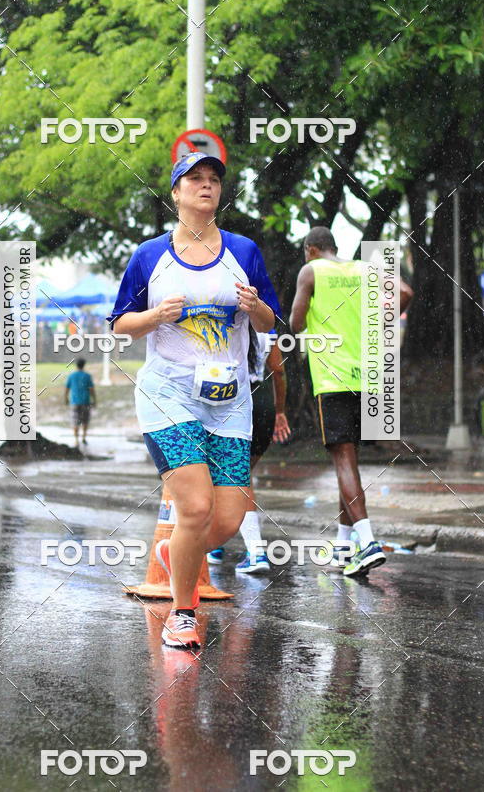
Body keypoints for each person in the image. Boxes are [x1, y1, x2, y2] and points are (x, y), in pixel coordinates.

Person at [110, 151, 281, 649]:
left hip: (228, 398)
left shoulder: (244, 251)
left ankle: (177, 555)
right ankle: (182, 614)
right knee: (196, 506)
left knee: (226, 519)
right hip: (168, 393)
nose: (206, 186)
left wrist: (256, 307)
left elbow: (271, 322)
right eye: (195, 179)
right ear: (177, 193)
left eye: (213, 180)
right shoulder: (149, 256)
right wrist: (155, 316)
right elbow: (120, 324)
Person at [290, 226, 413, 578]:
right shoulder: (365, 268)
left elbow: (296, 324)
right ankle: (345, 547)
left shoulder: (310, 271)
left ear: (311, 249)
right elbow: (405, 291)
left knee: (344, 461)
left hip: (334, 378)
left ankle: (368, 542)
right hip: (371, 377)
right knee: (351, 462)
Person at [208, 328, 291, 573]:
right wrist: (280, 410)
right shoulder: (266, 324)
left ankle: (255, 551)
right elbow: (279, 371)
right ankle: (215, 542)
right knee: (233, 477)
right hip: (264, 402)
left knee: (235, 477)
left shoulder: (224, 319)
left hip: (234, 398)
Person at [65, 358, 96, 446]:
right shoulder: (87, 376)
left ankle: (76, 440)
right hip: (85, 401)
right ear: (84, 365)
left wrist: (66, 398)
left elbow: (67, 388)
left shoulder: (72, 376)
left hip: (74, 402)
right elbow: (91, 389)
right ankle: (83, 438)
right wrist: (94, 400)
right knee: (85, 421)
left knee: (75, 421)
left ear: (76, 365)